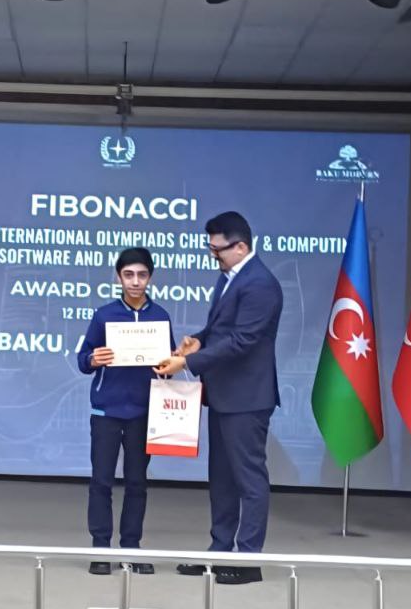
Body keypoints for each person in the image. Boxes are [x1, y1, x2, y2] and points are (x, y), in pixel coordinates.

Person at [155, 211, 282, 585]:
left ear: (240, 246)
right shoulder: (231, 276)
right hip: (225, 394)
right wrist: (198, 340)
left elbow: (243, 341)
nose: (213, 256)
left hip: (247, 397)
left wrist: (187, 362)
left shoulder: (260, 284)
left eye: (217, 250)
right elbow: (221, 329)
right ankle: (219, 551)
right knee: (222, 479)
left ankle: (248, 560)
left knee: (249, 479)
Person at [76, 247, 175, 576]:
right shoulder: (104, 315)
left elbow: (168, 365)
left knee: (137, 483)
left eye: (142, 275)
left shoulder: (160, 316)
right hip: (106, 411)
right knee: (101, 481)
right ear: (118, 277)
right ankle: (101, 549)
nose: (135, 281)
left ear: (150, 278)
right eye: (129, 275)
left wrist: (169, 365)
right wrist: (93, 359)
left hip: (144, 412)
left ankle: (131, 547)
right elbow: (83, 359)